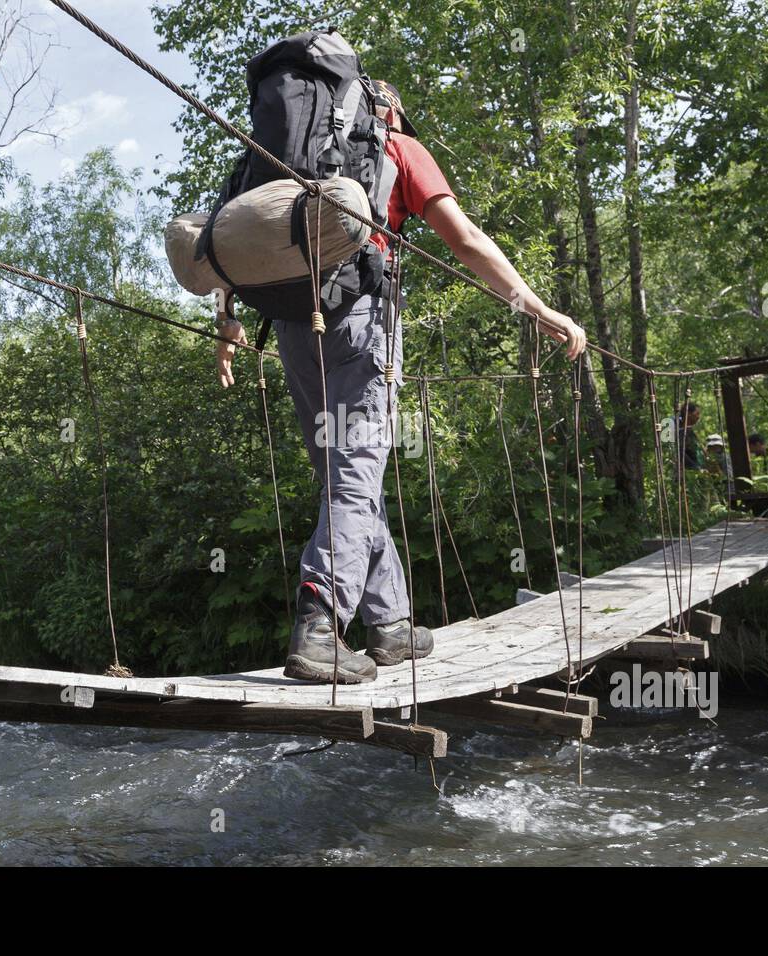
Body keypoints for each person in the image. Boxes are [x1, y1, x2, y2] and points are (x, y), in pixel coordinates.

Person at [215, 80, 587, 684]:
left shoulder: (271, 158)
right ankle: (318, 622)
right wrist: (540, 310)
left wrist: (226, 324)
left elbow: (236, 243)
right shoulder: (395, 147)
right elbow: (465, 241)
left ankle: (388, 624)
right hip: (363, 323)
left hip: (291, 327)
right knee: (356, 474)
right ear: (388, 111)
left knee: (346, 476)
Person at [675, 402, 703, 474]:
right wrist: (696, 468)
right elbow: (680, 452)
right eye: (697, 413)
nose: (698, 417)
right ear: (688, 414)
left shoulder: (690, 431)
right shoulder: (682, 432)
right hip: (689, 474)